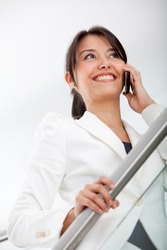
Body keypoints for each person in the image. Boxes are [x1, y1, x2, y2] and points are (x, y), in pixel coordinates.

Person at [7, 26, 167, 250]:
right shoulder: (60, 131)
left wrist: (148, 107)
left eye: (113, 55)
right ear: (70, 79)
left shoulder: (150, 142)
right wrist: (74, 215)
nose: (105, 63)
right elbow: (17, 224)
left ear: (127, 71)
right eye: (89, 56)